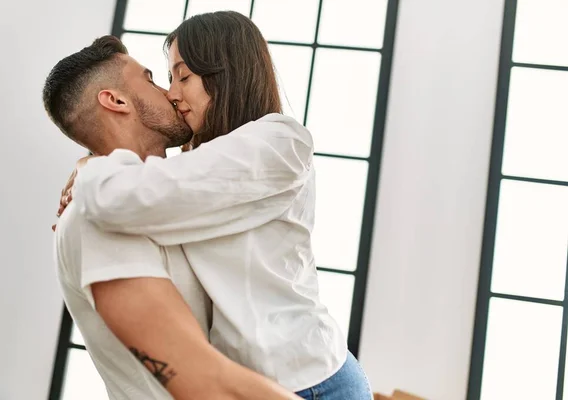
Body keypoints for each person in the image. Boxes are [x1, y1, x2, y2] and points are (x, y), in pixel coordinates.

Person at [59, 11, 372, 400]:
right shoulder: (198, 161)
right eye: (165, 78)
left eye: (182, 76)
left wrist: (91, 165)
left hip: (309, 382)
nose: (172, 93)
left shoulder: (279, 143)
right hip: (255, 383)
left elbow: (119, 196)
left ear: (224, 73)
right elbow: (141, 189)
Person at [45, 35, 300, 400]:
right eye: (151, 79)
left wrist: (87, 165)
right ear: (115, 100)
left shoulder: (169, 197)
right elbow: (202, 381)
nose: (169, 92)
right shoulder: (96, 223)